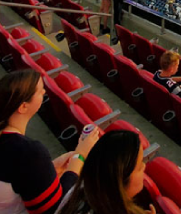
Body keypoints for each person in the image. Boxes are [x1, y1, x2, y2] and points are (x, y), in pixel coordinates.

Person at [1, 69, 99, 214]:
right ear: (23, 107)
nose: (45, 92)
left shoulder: (15, 147)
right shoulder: (29, 152)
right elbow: (56, 208)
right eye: (39, 91)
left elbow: (21, 178)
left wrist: (49, 168)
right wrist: (80, 155)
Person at [56, 130, 151, 214]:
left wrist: (79, 154)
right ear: (119, 184)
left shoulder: (80, 191)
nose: (144, 166)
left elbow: (72, 175)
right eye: (139, 167)